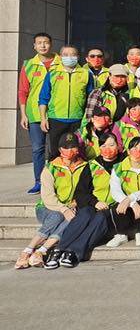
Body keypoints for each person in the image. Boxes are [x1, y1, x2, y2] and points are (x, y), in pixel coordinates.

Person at [46, 133, 124, 268]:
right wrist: (95, 202)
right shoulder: (93, 165)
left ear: (118, 146)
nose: (108, 149)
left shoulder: (125, 163)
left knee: (100, 218)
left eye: (112, 145)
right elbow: (81, 192)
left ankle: (74, 252)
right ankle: (59, 249)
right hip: (94, 204)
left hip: (115, 207)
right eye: (104, 145)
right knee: (85, 214)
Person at [15, 133, 86, 269]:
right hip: (47, 208)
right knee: (57, 216)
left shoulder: (84, 166)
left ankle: (41, 251)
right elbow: (48, 197)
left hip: (72, 206)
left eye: (73, 147)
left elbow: (85, 190)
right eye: (65, 147)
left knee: (72, 219)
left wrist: (73, 205)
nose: (69, 151)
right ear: (60, 149)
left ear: (78, 149)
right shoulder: (51, 168)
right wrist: (64, 209)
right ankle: (27, 250)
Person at [18, 32, 59, 194]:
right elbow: (23, 91)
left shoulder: (60, 62)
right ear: (34, 46)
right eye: (39, 43)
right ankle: (39, 182)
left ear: (51, 44)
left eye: (46, 42)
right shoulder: (28, 65)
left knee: (56, 149)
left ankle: (57, 181)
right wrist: (23, 114)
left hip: (56, 112)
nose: (43, 45)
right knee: (37, 149)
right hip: (34, 114)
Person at [39, 45, 94, 160]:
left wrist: (88, 120)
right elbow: (43, 98)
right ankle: (55, 171)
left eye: (73, 54)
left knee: (78, 152)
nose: (69, 57)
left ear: (78, 57)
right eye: (66, 55)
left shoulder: (86, 74)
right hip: (56, 119)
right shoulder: (52, 73)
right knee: (55, 153)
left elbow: (91, 99)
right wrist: (43, 119)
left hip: (78, 119)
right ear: (60, 57)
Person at [106, 137, 140, 248]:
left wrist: (131, 199)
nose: (138, 151)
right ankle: (121, 235)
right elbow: (115, 190)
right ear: (128, 151)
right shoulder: (118, 168)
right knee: (117, 207)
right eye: (135, 148)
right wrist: (130, 202)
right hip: (124, 198)